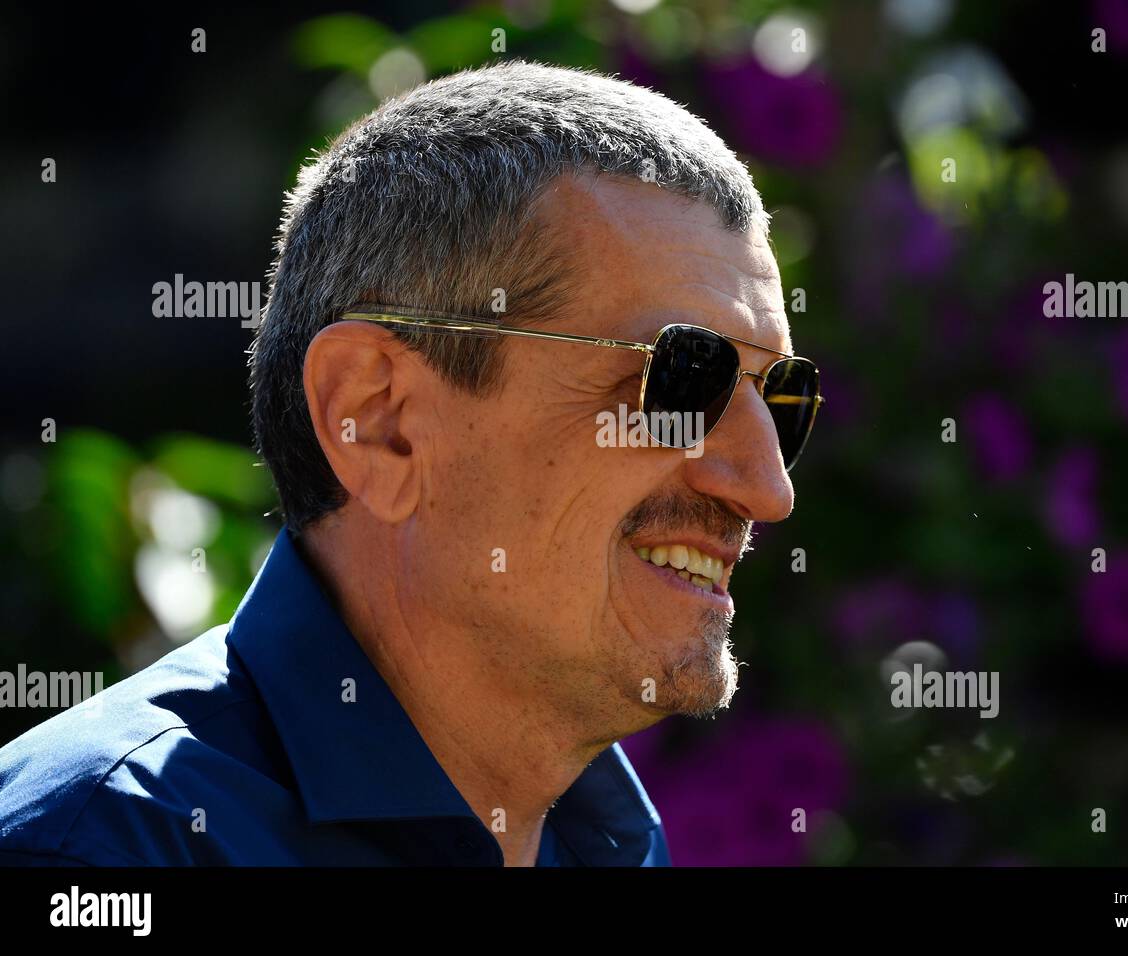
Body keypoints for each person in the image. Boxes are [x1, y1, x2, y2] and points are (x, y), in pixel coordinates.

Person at [0, 59, 821, 866]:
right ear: (379, 420)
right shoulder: (101, 848)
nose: (767, 489)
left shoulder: (609, 840)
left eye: (781, 398)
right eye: (682, 378)